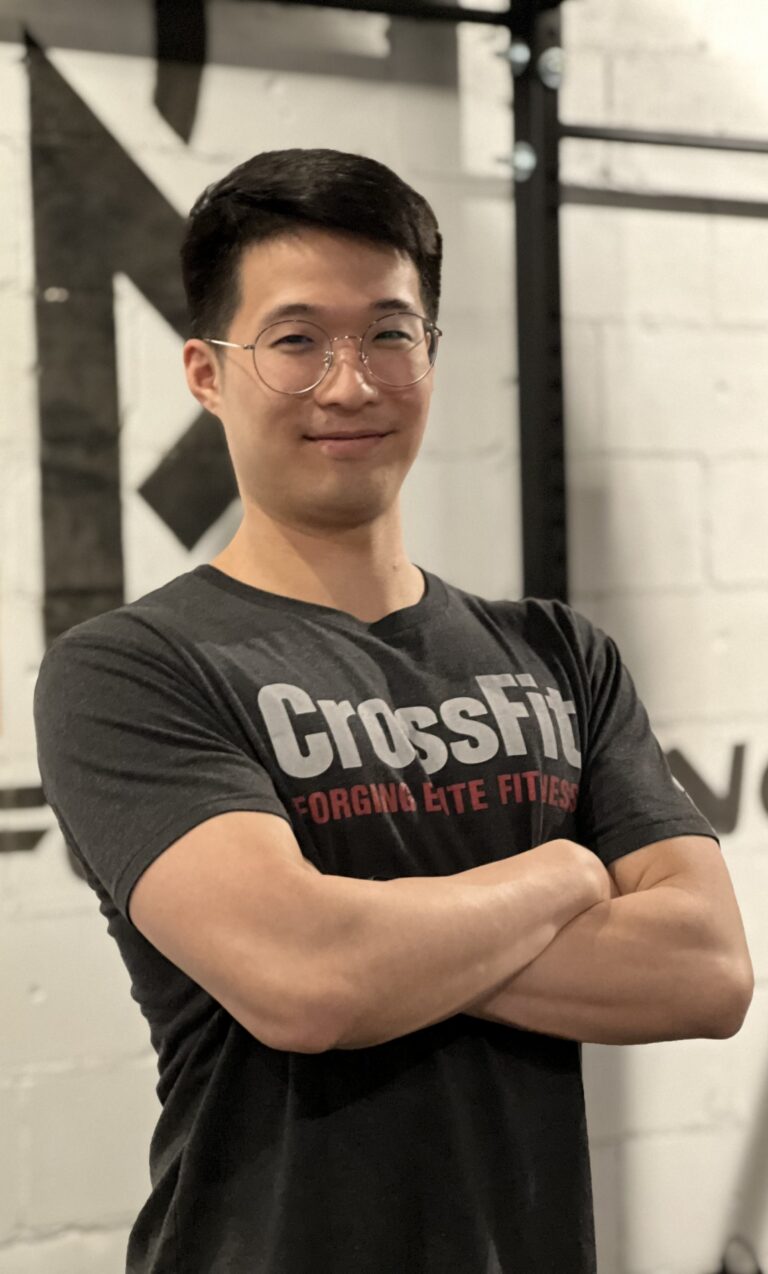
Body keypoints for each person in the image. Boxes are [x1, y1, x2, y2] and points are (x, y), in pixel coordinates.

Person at [33, 148, 753, 1274]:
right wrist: (564, 875)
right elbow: (307, 982)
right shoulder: (132, 670)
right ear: (208, 373)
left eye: (388, 333)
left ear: (431, 351)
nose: (350, 384)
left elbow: (706, 969)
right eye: (296, 340)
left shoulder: (561, 656)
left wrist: (379, 950)